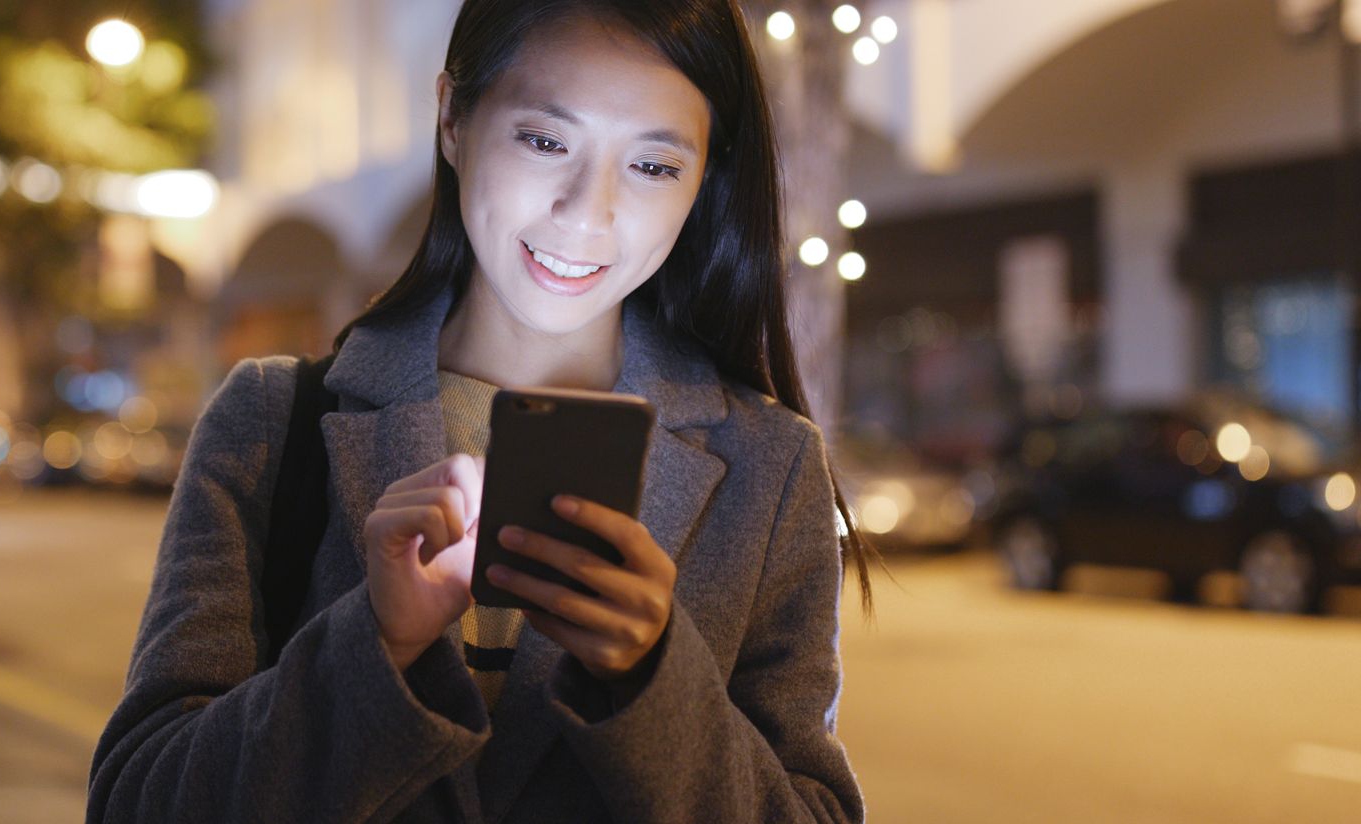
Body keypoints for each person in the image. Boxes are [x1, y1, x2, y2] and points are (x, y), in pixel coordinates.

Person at [87, 1, 876, 821]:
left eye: (653, 166)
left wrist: (653, 678)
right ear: (453, 120)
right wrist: (378, 645)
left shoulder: (770, 464)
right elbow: (141, 802)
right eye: (545, 141)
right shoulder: (271, 420)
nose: (587, 210)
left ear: (703, 182)